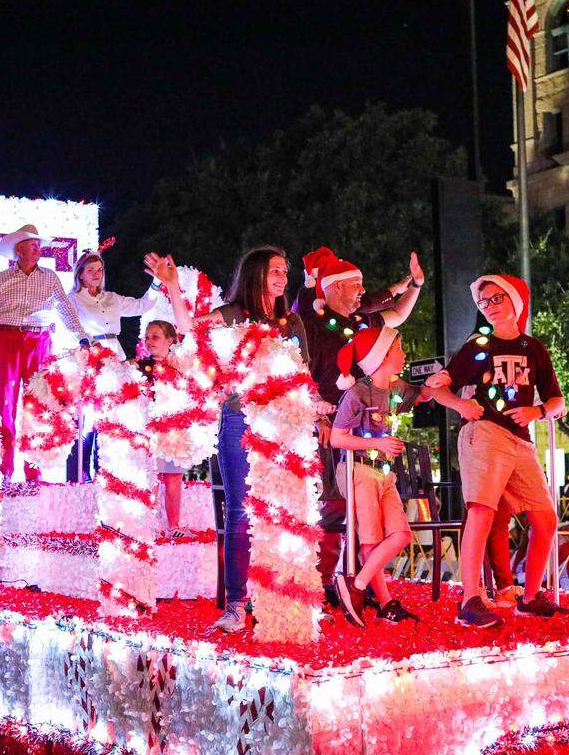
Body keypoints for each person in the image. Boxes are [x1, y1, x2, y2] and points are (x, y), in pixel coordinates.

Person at [147, 247, 317, 633]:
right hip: (240, 420)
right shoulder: (232, 315)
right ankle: (237, 604)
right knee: (240, 511)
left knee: (282, 515)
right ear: (256, 274)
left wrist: (315, 404)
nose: (282, 277)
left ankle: (281, 597)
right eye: (275, 270)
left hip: (283, 427)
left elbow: (304, 373)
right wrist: (174, 287)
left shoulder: (291, 322)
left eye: (284, 272)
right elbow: (190, 329)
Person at [424, 274, 569, 628]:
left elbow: (556, 398)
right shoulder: (479, 344)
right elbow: (436, 386)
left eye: (496, 298)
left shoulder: (533, 348)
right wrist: (461, 406)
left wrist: (538, 411)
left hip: (521, 439)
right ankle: (470, 599)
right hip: (486, 432)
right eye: (484, 302)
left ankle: (529, 596)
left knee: (545, 518)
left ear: (515, 301)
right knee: (483, 511)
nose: (489, 306)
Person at [294, 247, 426, 605]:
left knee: (359, 512)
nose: (362, 292)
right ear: (334, 288)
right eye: (356, 285)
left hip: (362, 431)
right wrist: (317, 414)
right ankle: (322, 586)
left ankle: (354, 581)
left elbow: (396, 315)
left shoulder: (362, 324)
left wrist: (414, 285)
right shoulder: (310, 324)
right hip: (323, 428)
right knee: (330, 508)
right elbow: (296, 374)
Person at [0, 224, 90, 482]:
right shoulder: (1, 279)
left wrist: (81, 336)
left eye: (39, 245)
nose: (38, 249)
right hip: (7, 339)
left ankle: (34, 470)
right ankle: (5, 468)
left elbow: (66, 310)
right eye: (33, 245)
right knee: (6, 402)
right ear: (19, 249)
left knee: (36, 403)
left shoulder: (50, 277)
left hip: (39, 340)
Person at [329, 328, 429, 626]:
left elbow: (421, 394)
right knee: (370, 538)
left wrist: (438, 383)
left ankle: (355, 585)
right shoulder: (358, 391)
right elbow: (337, 438)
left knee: (401, 534)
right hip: (358, 468)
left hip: (383, 471)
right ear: (384, 355)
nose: (404, 353)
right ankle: (385, 603)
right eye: (399, 347)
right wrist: (378, 443)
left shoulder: (396, 389)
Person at [66, 251, 165, 482]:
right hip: (89, 356)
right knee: (86, 418)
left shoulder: (112, 298)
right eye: (90, 270)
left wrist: (157, 282)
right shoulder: (72, 300)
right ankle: (77, 476)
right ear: (80, 274)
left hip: (116, 356)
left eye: (99, 270)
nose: (96, 274)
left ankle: (105, 474)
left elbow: (142, 305)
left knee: (112, 415)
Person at [136, 320, 187, 535]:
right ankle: (151, 526)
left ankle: (173, 526)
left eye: (155, 337)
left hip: (174, 432)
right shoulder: (139, 368)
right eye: (147, 337)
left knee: (173, 477)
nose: (149, 341)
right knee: (152, 478)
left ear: (170, 340)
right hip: (149, 432)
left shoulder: (181, 368)